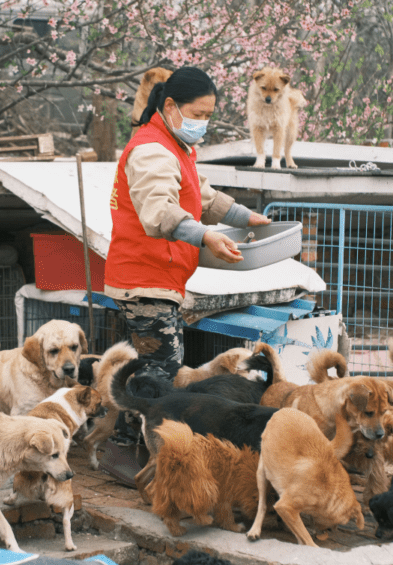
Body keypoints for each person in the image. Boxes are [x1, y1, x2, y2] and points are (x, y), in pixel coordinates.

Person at [103, 67, 271, 445]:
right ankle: (138, 451)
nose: (203, 124)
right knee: (158, 378)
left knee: (149, 373)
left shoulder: (176, 147)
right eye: (197, 115)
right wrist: (206, 236)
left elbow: (204, 197)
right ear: (170, 106)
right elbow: (159, 211)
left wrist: (246, 217)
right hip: (144, 280)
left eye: (209, 116)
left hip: (157, 279)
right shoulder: (151, 150)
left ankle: (127, 446)